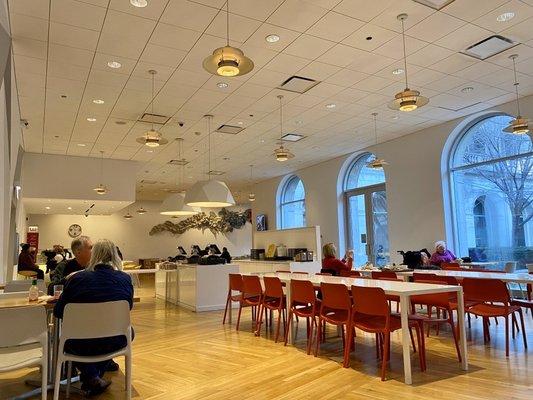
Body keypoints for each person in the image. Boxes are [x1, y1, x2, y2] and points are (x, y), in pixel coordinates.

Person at [54, 239, 133, 396]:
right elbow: (128, 308)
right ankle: (93, 377)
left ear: (94, 255)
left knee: (70, 337)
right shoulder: (125, 279)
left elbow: (58, 312)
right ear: (116, 255)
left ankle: (91, 376)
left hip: (79, 343)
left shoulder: (77, 279)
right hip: (115, 339)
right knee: (130, 332)